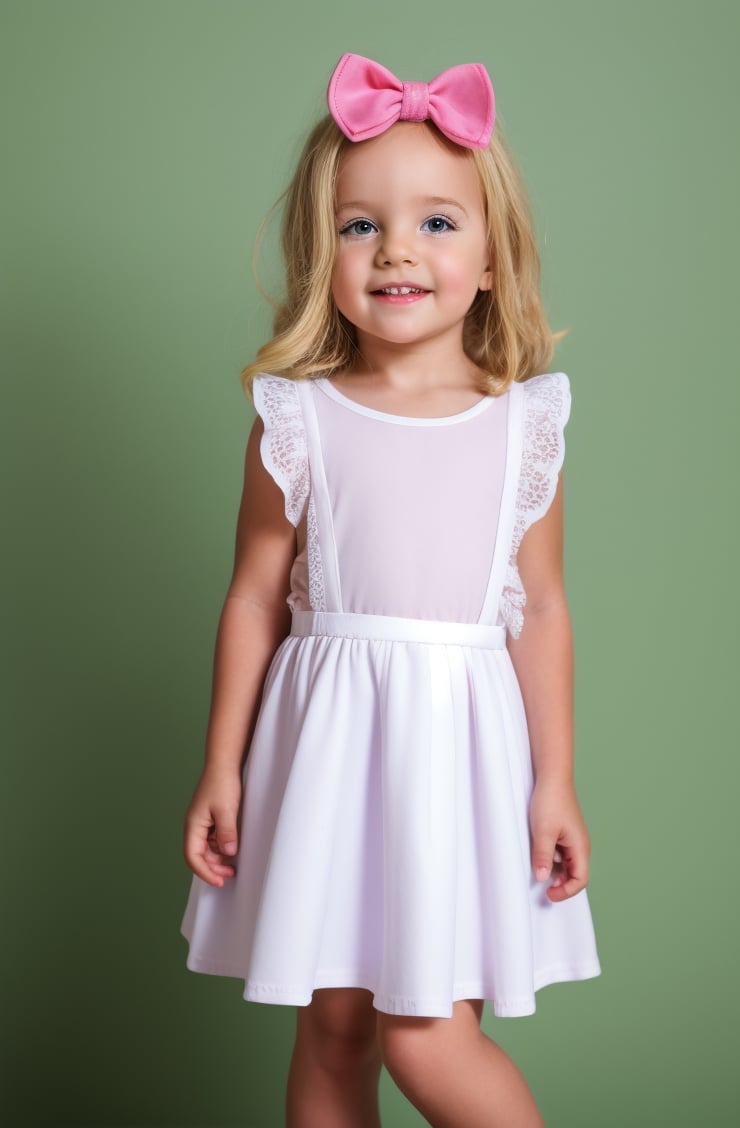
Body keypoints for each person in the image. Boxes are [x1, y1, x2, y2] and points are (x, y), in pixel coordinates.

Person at [182, 53, 600, 1128]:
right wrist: (221, 765)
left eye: (438, 224)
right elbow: (252, 597)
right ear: (323, 255)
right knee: (330, 1029)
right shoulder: (297, 417)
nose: (397, 249)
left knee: (430, 1037)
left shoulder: (522, 427)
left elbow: (540, 608)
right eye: (361, 226)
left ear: (496, 257)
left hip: (457, 752)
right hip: (325, 745)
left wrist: (556, 781)